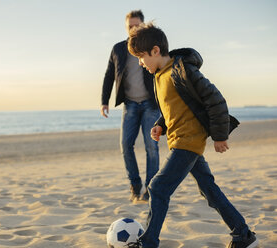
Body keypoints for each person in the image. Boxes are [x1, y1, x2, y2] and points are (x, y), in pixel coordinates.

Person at [126, 23, 258, 248]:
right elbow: (175, 107)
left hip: (189, 142)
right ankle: (242, 234)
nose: (140, 62)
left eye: (141, 57)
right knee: (209, 190)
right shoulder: (160, 75)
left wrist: (219, 135)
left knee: (157, 188)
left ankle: (148, 243)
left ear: (155, 51)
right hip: (180, 140)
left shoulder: (183, 70)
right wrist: (161, 125)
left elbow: (215, 100)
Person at [101, 10, 160, 202]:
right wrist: (104, 101)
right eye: (130, 26)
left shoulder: (153, 46)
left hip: (151, 105)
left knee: (152, 147)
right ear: (126, 28)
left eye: (137, 25)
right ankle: (135, 186)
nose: (133, 29)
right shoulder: (118, 48)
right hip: (130, 105)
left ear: (143, 25)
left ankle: (150, 190)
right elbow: (109, 75)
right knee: (126, 145)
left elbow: (163, 71)